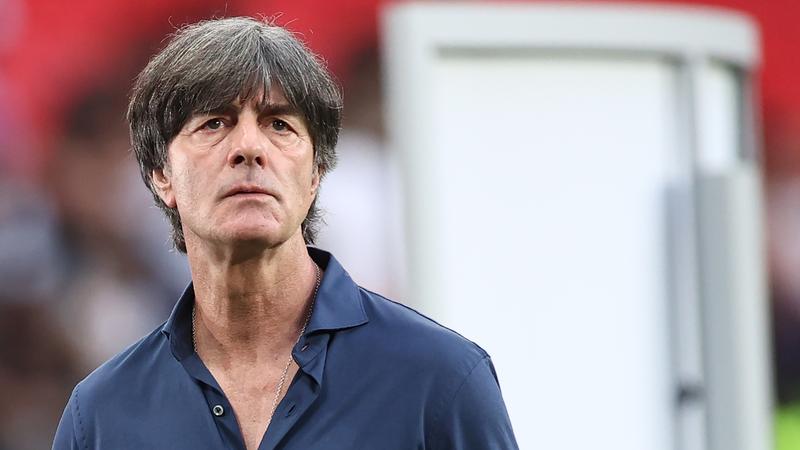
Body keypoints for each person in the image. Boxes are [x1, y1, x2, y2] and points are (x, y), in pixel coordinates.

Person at [52, 17, 518, 450]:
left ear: (316, 173)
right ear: (161, 175)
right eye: (214, 123)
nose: (249, 148)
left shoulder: (440, 379)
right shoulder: (100, 415)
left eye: (279, 124)